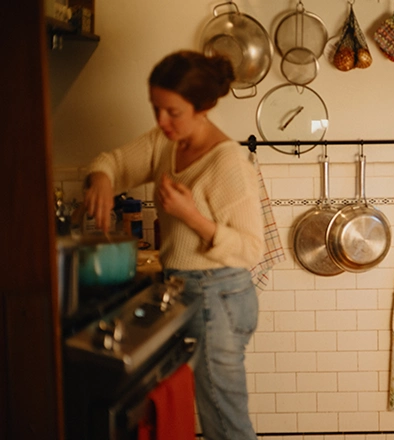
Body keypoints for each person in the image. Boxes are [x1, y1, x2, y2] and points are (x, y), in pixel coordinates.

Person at [84, 50, 264, 439]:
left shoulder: (228, 162)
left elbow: (252, 248)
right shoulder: (166, 142)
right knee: (216, 415)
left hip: (219, 295)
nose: (161, 121)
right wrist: (101, 176)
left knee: (225, 422)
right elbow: (114, 161)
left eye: (172, 111)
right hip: (190, 290)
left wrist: (190, 215)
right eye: (156, 108)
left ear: (202, 107)